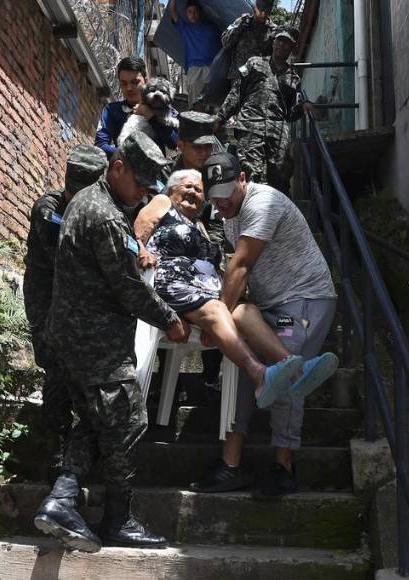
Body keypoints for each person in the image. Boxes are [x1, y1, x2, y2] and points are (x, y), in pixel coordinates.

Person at [34, 132, 189, 553]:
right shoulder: (104, 215)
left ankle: (62, 500)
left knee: (94, 422)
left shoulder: (84, 203)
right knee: (128, 421)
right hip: (95, 342)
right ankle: (118, 519)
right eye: (138, 182)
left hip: (70, 337)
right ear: (116, 166)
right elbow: (128, 289)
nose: (142, 193)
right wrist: (170, 318)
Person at [191, 152, 339, 497]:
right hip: (268, 305)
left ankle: (283, 466)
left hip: (304, 300)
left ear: (243, 178)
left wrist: (214, 325)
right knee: (246, 362)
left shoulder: (264, 202)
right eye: (214, 194)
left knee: (282, 374)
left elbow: (239, 268)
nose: (221, 201)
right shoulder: (229, 215)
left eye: (227, 190)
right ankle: (231, 465)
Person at [135, 169, 336, 410]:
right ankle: (259, 373)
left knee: (245, 311)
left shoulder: (199, 225)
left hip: (208, 294)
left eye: (199, 190)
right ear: (172, 189)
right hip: (172, 284)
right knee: (227, 310)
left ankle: (297, 370)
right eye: (187, 186)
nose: (194, 192)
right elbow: (135, 234)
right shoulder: (163, 202)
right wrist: (141, 251)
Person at [23, 144, 108, 486]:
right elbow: (68, 250)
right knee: (57, 372)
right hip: (48, 302)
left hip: (79, 306)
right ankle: (57, 450)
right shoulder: (50, 208)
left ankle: (82, 450)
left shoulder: (96, 210)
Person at [163, 111, 226, 391]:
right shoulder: (164, 174)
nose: (204, 152)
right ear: (180, 144)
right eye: (196, 146)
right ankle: (165, 384)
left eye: (208, 146)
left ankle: (211, 377)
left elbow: (221, 223)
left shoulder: (219, 174)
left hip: (208, 254)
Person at [215, 26, 312, 194]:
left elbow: (290, 113)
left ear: (292, 47)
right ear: (273, 42)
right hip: (250, 125)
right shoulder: (253, 63)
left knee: (281, 176)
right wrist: (221, 116)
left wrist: (303, 108)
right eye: (279, 40)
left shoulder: (294, 78)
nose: (282, 45)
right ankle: (251, 214)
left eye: (287, 43)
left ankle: (280, 215)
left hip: (277, 131)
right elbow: (237, 91)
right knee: (252, 174)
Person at [95, 57, 178, 157]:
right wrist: (127, 155)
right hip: (122, 168)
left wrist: (151, 116)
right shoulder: (112, 111)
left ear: (146, 81)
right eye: (124, 84)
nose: (129, 88)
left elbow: (174, 143)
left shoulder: (166, 111)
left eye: (135, 82)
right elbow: (100, 145)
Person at [168, 0, 221, 107]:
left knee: (210, 104)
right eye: (190, 12)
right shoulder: (185, 29)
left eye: (195, 11)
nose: (193, 14)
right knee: (195, 105)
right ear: (186, 14)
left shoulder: (213, 28)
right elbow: (173, 11)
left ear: (200, 13)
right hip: (194, 69)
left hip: (210, 68)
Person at [221, 0, 277, 82]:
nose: (264, 14)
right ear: (255, 8)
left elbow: (275, 59)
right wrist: (240, 27)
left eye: (267, 11)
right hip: (237, 78)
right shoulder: (242, 22)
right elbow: (225, 43)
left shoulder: (273, 31)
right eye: (261, 11)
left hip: (259, 81)